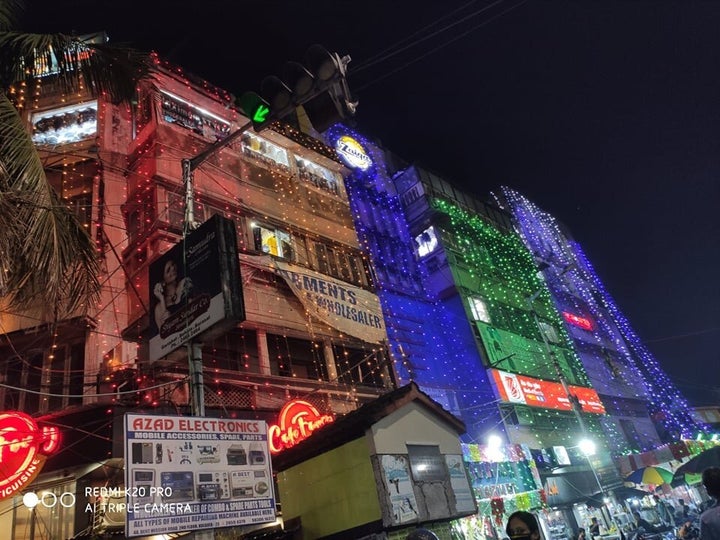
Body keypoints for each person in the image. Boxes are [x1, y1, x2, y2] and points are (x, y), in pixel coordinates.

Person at [153, 258, 193, 329]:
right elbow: (163, 334)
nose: (173, 268)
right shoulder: (159, 307)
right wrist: (162, 299)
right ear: (163, 281)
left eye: (173, 264)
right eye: (168, 270)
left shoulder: (185, 284)